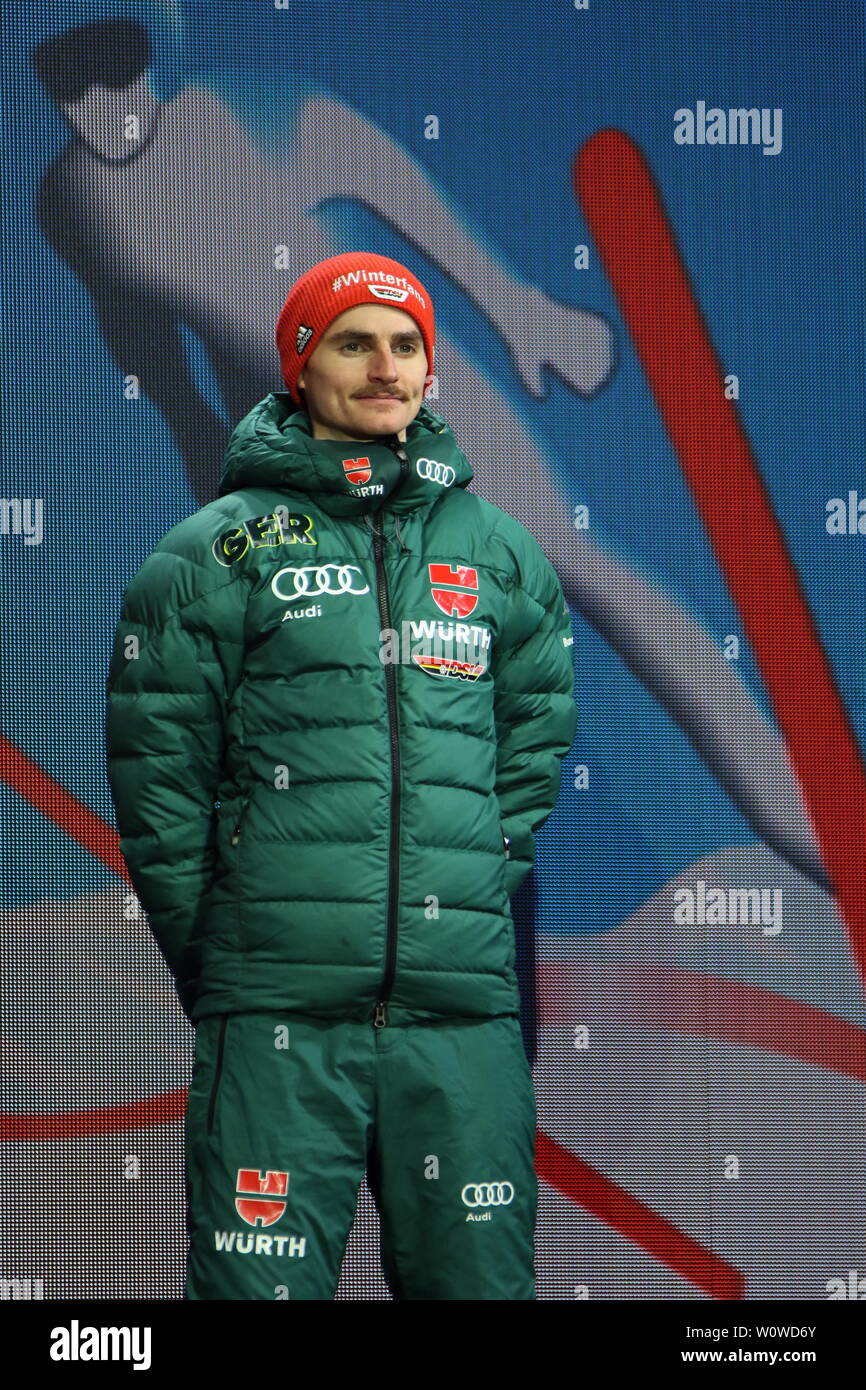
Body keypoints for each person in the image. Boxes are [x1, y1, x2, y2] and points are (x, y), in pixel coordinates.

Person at [104, 251, 578, 1300]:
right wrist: (236, 954)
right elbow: (159, 783)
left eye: (405, 344)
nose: (384, 365)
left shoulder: (500, 557)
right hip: (277, 1024)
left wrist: (459, 898)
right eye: (354, 341)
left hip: (458, 1025)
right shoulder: (214, 554)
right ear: (300, 364)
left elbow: (531, 745)